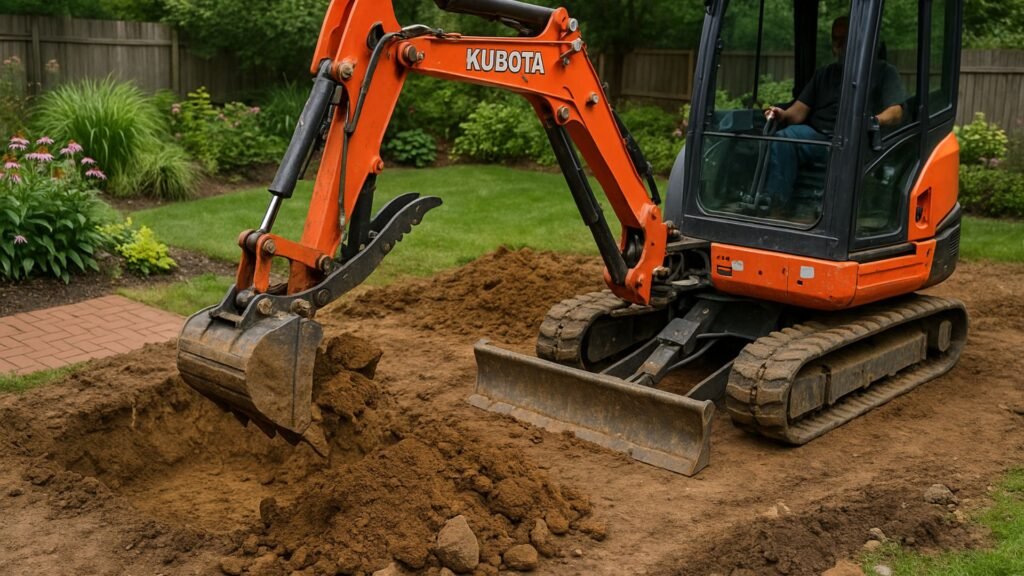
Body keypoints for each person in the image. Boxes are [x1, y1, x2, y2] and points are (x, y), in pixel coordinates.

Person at [761, 16, 906, 215]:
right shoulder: (824, 74)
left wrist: (874, 121)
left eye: (843, 39)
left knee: (846, 147)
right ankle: (777, 205)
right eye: (835, 39)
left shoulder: (883, 72)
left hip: (857, 139)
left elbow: (896, 112)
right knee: (785, 138)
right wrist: (781, 113)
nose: (838, 45)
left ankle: (835, 214)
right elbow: (798, 112)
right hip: (819, 137)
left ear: (859, 39)